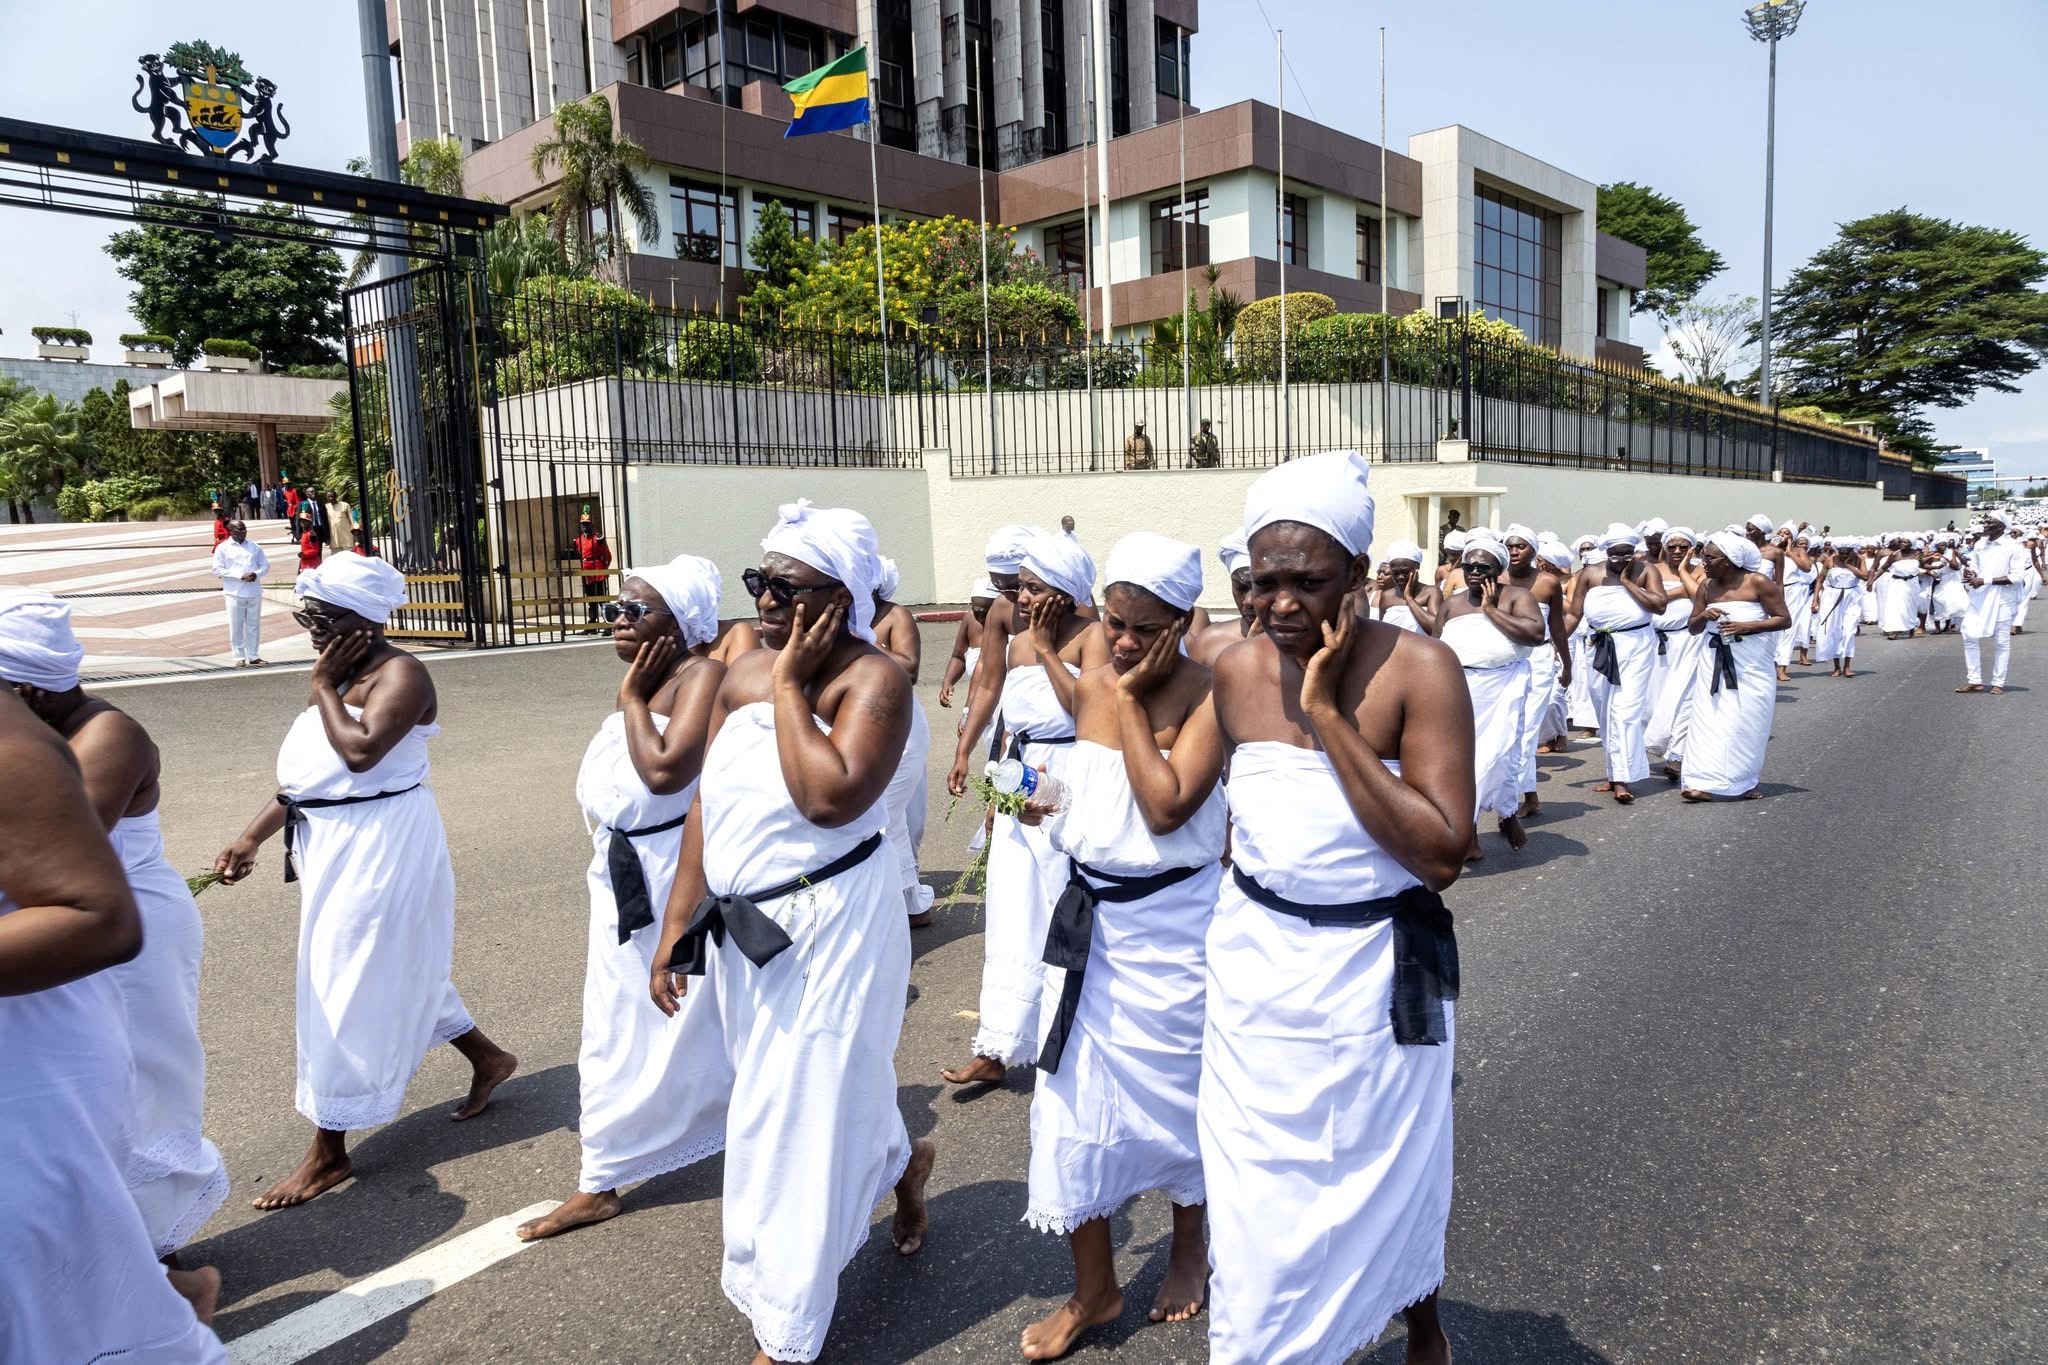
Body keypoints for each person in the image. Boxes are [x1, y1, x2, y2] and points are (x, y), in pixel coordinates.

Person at [1200, 449, 1469, 1365]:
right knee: (1256, 1193)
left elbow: (1439, 852)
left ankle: (1418, 1323)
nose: (1280, 604)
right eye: (1262, 580)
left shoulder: (1422, 671)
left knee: (1388, 1172)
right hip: (1255, 970)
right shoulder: (1231, 671)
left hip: (1375, 975)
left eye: (1306, 582)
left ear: (1356, 576)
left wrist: (1325, 716)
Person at [649, 500, 934, 1364]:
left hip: (832, 929)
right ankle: (899, 1159)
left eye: (787, 587)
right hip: (745, 933)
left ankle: (788, 1328)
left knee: (796, 1114)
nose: (765, 601)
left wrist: (783, 693)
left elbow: (829, 795)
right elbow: (706, 800)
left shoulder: (873, 681)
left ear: (841, 596)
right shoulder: (742, 671)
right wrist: (674, 923)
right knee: (792, 1094)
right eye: (757, 582)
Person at [212, 554, 516, 1209]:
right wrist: (250, 836)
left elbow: (359, 753)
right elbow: (309, 782)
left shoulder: (400, 674)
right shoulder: (344, 668)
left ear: (365, 619)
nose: (311, 627)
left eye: (320, 616)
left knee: (342, 984)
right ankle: (487, 1057)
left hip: (382, 848)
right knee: (388, 967)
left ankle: (329, 1153)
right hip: (332, 841)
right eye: (307, 615)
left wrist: (321, 686)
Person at [1020, 533, 1222, 1358]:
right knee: (1070, 1105)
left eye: (1146, 626)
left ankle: (1189, 1245)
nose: (1126, 641)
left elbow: (1167, 805)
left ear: (1185, 620)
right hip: (1088, 929)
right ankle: (1093, 1287)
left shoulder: (1214, 695)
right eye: (1115, 622)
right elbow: (1093, 792)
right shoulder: (1096, 683)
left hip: (1175, 936)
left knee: (1184, 1097)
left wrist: (1135, 700)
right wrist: (1038, 797)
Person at [1, 589, 228, 1314]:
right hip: (61, 929)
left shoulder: (109, 734)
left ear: (30, 688)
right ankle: (142, 1268)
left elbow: (73, 847)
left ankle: (150, 1259)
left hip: (134, 930)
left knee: (145, 1083)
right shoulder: (40, 732)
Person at [516, 557, 729, 1243]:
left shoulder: (702, 677)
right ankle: (600, 1175)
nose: (619, 621)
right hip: (620, 877)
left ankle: (827, 1139)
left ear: (682, 623)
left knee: (706, 1019)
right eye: (618, 607)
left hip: (677, 875)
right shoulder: (643, 681)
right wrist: (635, 695)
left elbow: (666, 768)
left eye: (637, 610)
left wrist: (635, 699)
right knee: (611, 1024)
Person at [943, 527, 1105, 1086]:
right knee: (1012, 913)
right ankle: (1000, 1044)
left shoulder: (1093, 639)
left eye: (1033, 588)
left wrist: (1044, 649)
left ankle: (1065, 1038)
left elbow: (1089, 713)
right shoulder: (1013, 640)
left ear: (1063, 590)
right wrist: (978, 764)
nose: (1022, 598)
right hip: (1023, 778)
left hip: (1072, 780)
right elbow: (1000, 703)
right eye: (1021, 588)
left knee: (1061, 908)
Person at [1434, 532, 1542, 858]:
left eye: (1484, 567)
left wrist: (1491, 611)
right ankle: (1470, 833)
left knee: (1502, 757)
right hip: (1461, 690)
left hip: (1505, 685)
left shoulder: (1517, 597)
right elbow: (1435, 647)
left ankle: (1505, 813)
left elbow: (1536, 635)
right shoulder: (1451, 604)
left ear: (1500, 570)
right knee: (1464, 762)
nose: (1475, 572)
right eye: (1470, 565)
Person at [1681, 533, 1790, 802]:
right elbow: (1693, 627)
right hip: (1713, 658)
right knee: (1711, 719)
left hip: (1751, 663)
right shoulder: (1706, 586)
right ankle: (1701, 781)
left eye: (1709, 557)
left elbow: (1783, 619)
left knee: (1746, 719)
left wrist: (1746, 626)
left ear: (1730, 560)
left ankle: (1743, 782)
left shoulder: (1759, 582)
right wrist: (1703, 615)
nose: (1703, 561)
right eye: (1703, 556)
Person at [1566, 523, 1667, 805]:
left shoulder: (1646, 571)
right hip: (1598, 647)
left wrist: (1628, 583)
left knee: (1625, 711)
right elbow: (1574, 614)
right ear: (1606, 551)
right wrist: (1556, 643)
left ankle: (1623, 778)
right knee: (1604, 710)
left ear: (1634, 552)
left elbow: (1659, 606)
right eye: (1615, 554)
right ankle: (1613, 773)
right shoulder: (1590, 574)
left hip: (1635, 646)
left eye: (1627, 553)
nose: (1621, 559)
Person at [872, 556, 934, 924]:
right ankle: (910, 905)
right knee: (886, 817)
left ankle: (892, 907)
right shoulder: (840, 615)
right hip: (860, 724)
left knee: (883, 814)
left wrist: (865, 644)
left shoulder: (896, 616)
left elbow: (909, 669)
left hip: (902, 727)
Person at [1502, 525, 1569, 814]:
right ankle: (1528, 796)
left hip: (1538, 661)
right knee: (1508, 730)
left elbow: (1557, 626)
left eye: (1521, 546)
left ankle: (1516, 801)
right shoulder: (1496, 578)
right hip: (1504, 661)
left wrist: (1567, 663)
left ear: (1533, 550)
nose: (1515, 551)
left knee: (1527, 731)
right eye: (1510, 546)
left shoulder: (1547, 582)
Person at [1644, 529, 1706, 783]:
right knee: (1652, 699)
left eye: (1683, 547)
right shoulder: (1651, 570)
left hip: (1687, 641)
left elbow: (1702, 595)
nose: (1677, 551)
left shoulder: (1701, 570)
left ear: (1692, 548)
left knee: (1683, 697)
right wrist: (1681, 589)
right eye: (1673, 546)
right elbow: (1647, 600)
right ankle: (1648, 747)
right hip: (1653, 641)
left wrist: (1682, 574)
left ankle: (1677, 756)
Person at [1958, 511, 2026, 695]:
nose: (1985, 524)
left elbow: (2017, 577)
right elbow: (1975, 568)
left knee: (2001, 642)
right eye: (1986, 521)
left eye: (1990, 522)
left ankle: (1998, 682)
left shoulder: (2013, 547)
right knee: (1968, 634)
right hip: (1979, 597)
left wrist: (1984, 580)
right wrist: (1971, 573)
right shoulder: (1980, 545)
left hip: (2002, 599)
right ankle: (1974, 680)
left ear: (2001, 527)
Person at [1189, 529, 1258, 665]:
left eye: (1260, 588)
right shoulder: (1210, 643)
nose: (1249, 601)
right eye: (1241, 588)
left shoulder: (1301, 645)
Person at [211, 518, 269, 668]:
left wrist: (256, 574)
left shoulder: (254, 546)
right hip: (234, 592)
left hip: (254, 590)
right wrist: (239, 576)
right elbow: (217, 569)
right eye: (239, 529)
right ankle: (239, 656)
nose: (243, 532)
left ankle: (253, 656)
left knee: (253, 625)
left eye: (244, 529)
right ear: (231, 531)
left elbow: (265, 565)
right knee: (236, 625)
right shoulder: (223, 548)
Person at [937, 578, 996, 713]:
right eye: (976, 611)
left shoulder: (1009, 626)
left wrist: (968, 711)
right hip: (977, 702)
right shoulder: (970, 619)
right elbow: (959, 657)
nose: (980, 618)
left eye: (986, 613)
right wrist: (948, 681)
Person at [1812, 545, 1865, 678]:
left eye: (1846, 553)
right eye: (1841, 553)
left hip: (1852, 597)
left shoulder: (1859, 560)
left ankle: (1847, 666)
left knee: (1849, 631)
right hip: (1832, 597)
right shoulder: (1830, 560)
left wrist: (1849, 566)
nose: (1843, 556)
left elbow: (1865, 576)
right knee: (1834, 630)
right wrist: (1815, 600)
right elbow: (1820, 580)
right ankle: (1836, 666)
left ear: (1852, 551)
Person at [1372, 541, 1441, 635]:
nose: (1400, 577)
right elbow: (1382, 631)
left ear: (1417, 567)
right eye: (1395, 573)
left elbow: (1435, 629)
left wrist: (1409, 598)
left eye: (1405, 572)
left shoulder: (1431, 592)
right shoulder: (1387, 596)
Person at [1776, 535, 1818, 677]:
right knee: (1773, 629)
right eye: (1781, 532)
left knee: (1789, 627)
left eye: (1786, 533)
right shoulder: (1772, 550)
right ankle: (1772, 663)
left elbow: (1806, 568)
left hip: (1793, 591)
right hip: (1773, 591)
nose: (1783, 535)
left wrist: (1790, 553)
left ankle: (1782, 668)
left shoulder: (1798, 551)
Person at [568, 511, 613, 623]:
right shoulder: (579, 540)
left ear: (591, 525)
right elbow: (579, 553)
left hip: (597, 572)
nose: (585, 527)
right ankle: (592, 624)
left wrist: (603, 569)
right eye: (583, 524)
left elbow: (607, 555)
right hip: (586, 573)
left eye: (587, 524)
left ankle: (607, 623)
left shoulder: (597, 538)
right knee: (590, 599)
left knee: (602, 599)